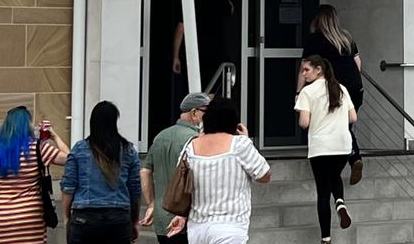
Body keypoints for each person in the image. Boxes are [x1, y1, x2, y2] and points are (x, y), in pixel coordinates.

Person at [165, 97, 271, 244]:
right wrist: (247, 139)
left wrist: (182, 216)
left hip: (197, 229)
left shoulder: (190, 146)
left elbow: (183, 184)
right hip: (230, 227)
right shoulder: (240, 144)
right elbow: (264, 175)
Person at [295, 55, 358, 244]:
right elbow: (353, 117)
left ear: (318, 70)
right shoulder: (341, 89)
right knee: (334, 176)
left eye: (306, 70)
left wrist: (309, 117)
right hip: (342, 145)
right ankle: (340, 203)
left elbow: (304, 123)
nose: (303, 74)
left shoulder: (307, 92)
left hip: (321, 146)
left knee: (323, 191)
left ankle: (326, 238)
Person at [61, 101, 142, 244]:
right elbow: (134, 190)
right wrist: (134, 221)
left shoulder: (79, 148)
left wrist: (67, 217)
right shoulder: (129, 150)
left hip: (84, 217)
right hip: (118, 218)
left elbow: (68, 187)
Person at [301, 4, 364, 184]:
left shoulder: (315, 40)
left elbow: (304, 68)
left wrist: (300, 90)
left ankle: (351, 158)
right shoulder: (346, 37)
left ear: (318, 19)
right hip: (355, 87)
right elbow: (358, 63)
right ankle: (351, 158)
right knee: (344, 125)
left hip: (336, 88)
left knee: (340, 125)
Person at [0, 106, 70, 244]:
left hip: (4, 213)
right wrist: (54, 136)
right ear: (25, 125)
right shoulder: (38, 147)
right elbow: (70, 159)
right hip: (30, 212)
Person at [140, 92, 209, 243]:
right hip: (186, 219)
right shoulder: (196, 140)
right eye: (206, 112)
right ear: (194, 112)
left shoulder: (160, 136)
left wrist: (151, 204)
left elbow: (145, 171)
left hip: (161, 217)